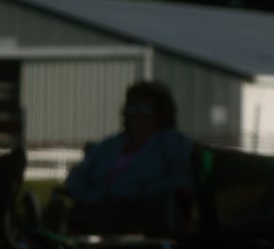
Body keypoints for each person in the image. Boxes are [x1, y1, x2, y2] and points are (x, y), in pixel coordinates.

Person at [60, 80, 193, 232]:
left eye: (144, 109)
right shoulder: (111, 145)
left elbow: (181, 180)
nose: (136, 114)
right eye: (132, 108)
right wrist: (89, 196)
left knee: (88, 218)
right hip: (99, 205)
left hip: (145, 215)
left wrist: (133, 191)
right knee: (77, 215)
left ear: (160, 113)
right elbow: (79, 174)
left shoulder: (174, 144)